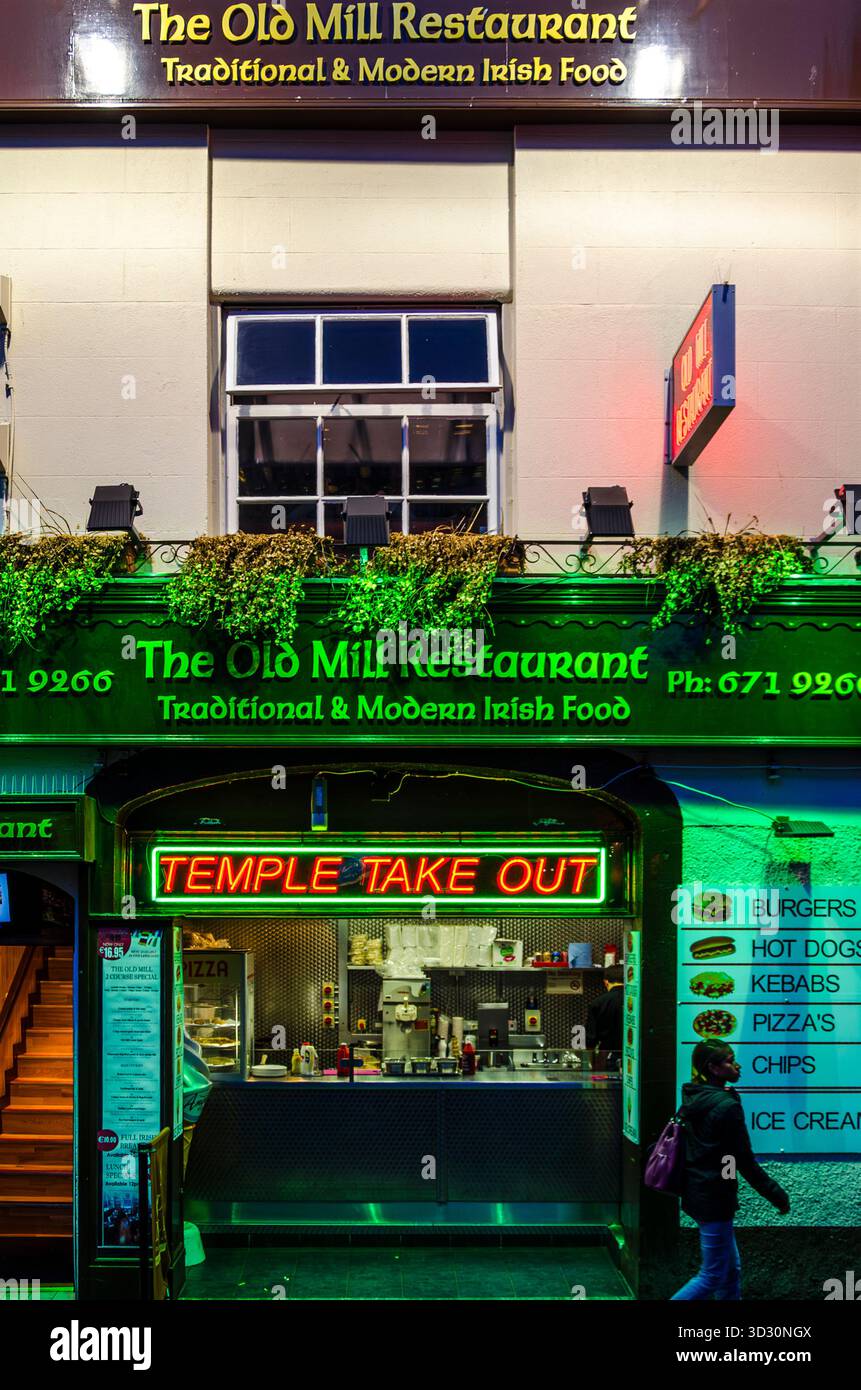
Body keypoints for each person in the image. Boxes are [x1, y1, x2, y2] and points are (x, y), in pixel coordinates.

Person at [671, 1038, 790, 1300]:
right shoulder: (725, 1107)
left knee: (730, 1271)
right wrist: (776, 1194)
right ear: (713, 1068)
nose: (737, 1065)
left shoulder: (695, 1095)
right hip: (713, 1197)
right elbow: (744, 1160)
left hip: (700, 1192)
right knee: (711, 1275)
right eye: (728, 1060)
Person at [585, 963, 624, 1060]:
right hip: (633, 1055)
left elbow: (591, 1038)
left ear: (606, 982)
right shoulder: (636, 1001)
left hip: (607, 1055)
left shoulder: (597, 1003)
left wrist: (591, 1060)